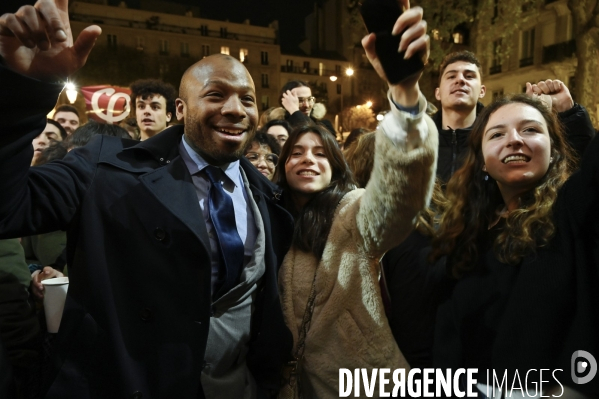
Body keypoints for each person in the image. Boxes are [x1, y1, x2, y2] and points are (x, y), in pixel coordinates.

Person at [0, 2, 294, 398]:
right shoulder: (104, 168)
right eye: (216, 95)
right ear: (180, 110)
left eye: (247, 99)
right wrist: (26, 92)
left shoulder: (268, 197)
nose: (234, 109)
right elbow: (9, 206)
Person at [274, 2, 437, 396]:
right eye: (296, 152)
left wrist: (404, 93)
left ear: (337, 166)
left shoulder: (352, 210)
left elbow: (400, 191)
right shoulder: (267, 219)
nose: (308, 160)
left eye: (320, 153)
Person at [429, 94, 599, 397]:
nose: (514, 140)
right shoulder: (465, 232)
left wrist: (571, 116)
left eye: (531, 130)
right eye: (497, 134)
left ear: (555, 149)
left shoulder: (572, 209)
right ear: (481, 159)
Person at [433, 51, 594, 183]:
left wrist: (568, 113)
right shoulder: (415, 140)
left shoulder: (505, 138)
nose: (460, 80)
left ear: (482, 91)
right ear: (438, 93)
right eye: (451, 76)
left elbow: (579, 173)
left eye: (469, 76)